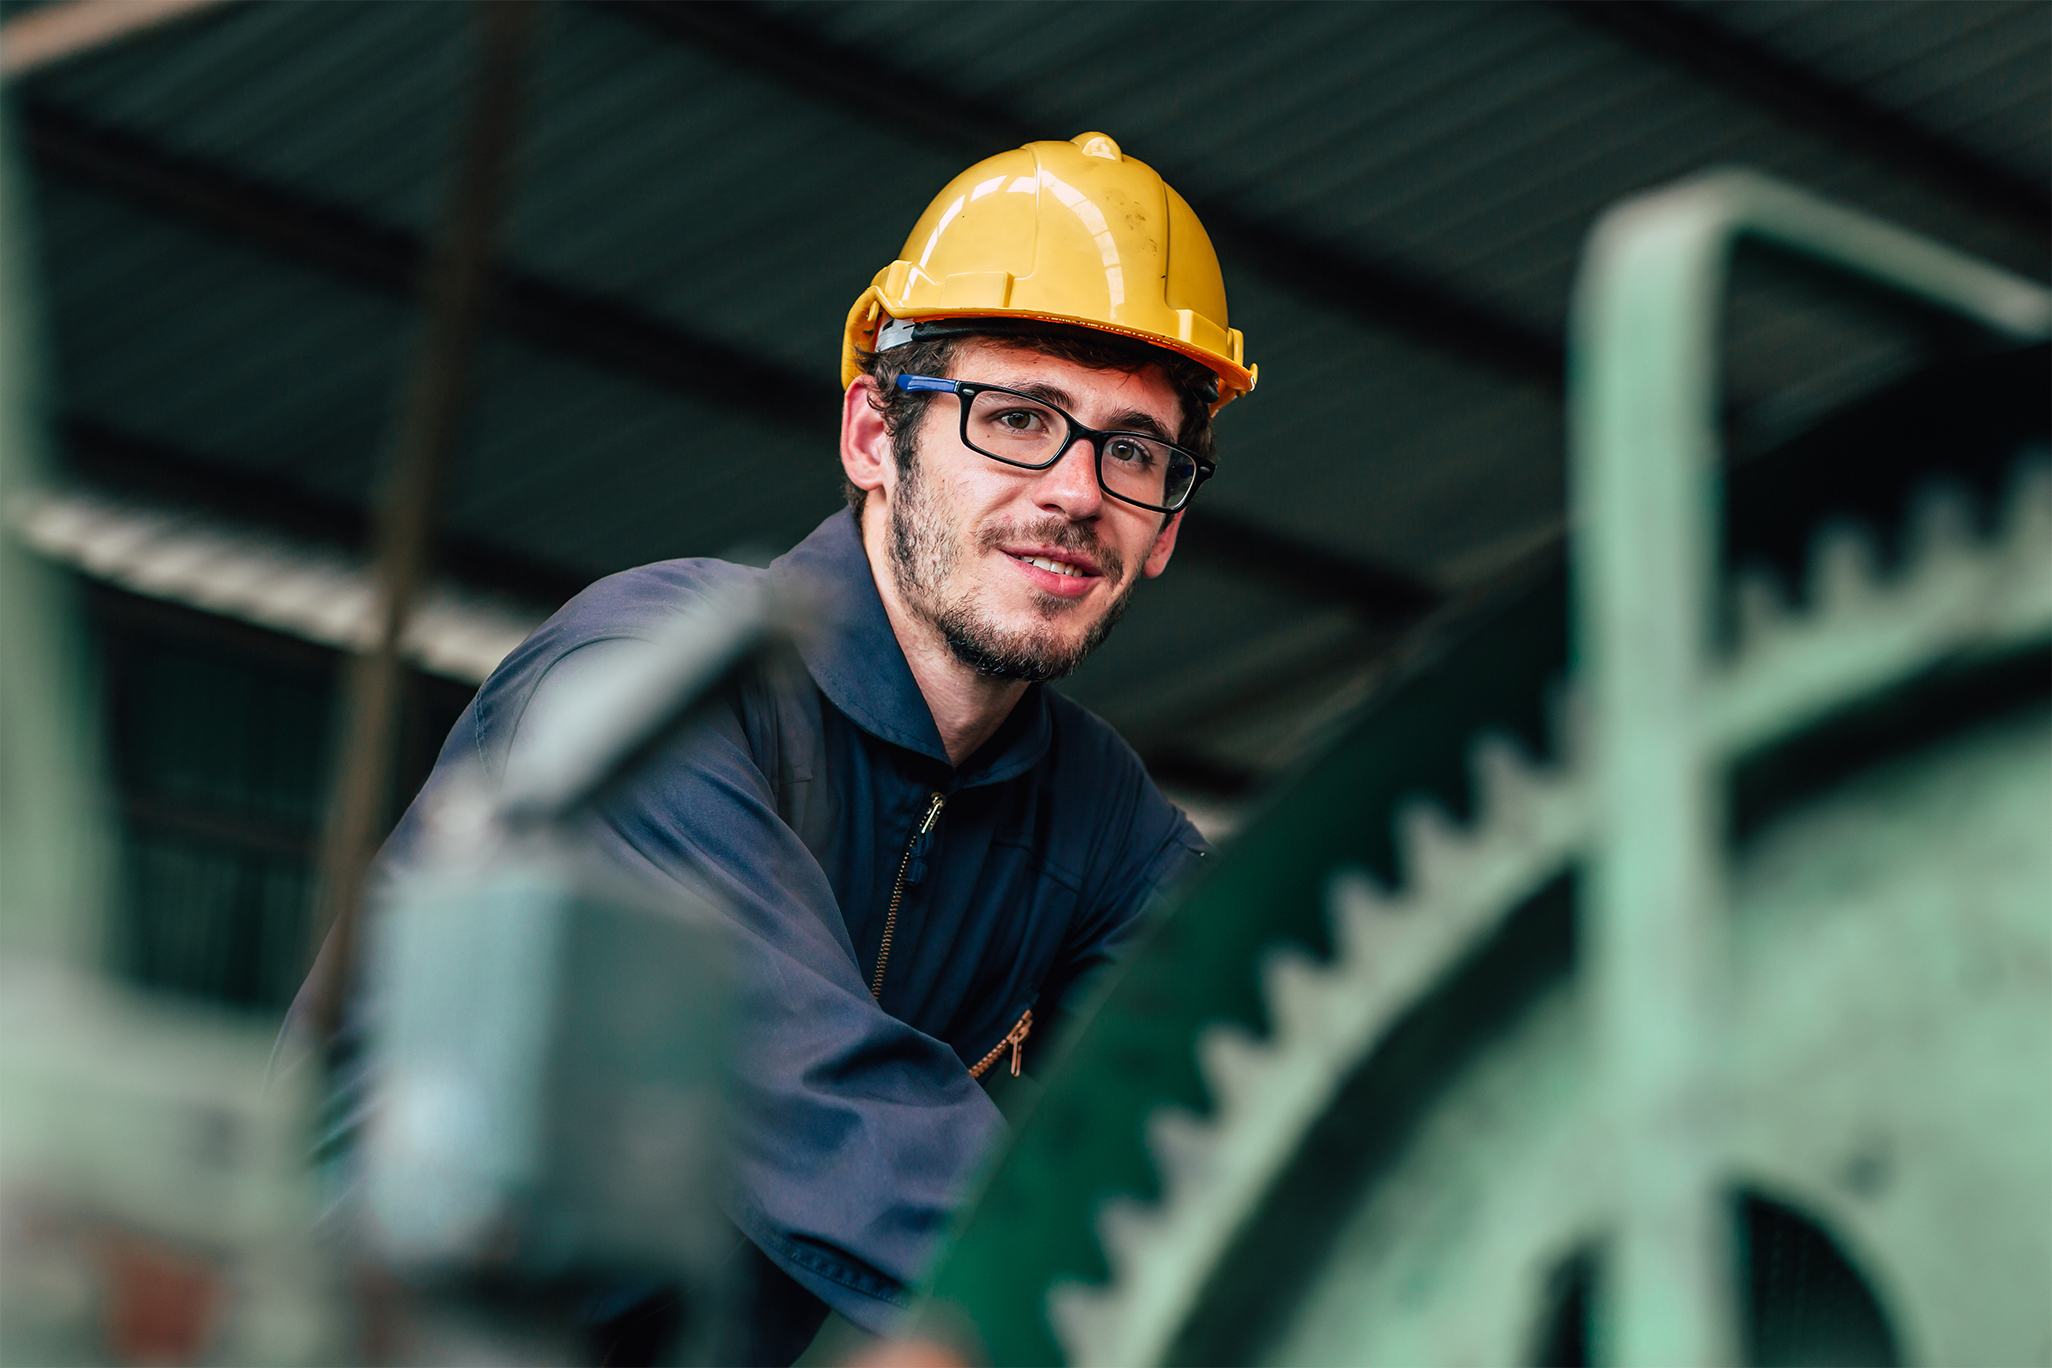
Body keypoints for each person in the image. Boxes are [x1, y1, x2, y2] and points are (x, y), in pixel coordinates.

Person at [329, 131, 1257, 1366]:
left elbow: (1233, 1098)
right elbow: (831, 1112)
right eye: (1019, 417)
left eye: (1133, 450)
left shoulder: (1098, 821)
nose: (1077, 490)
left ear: (1167, 530)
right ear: (876, 435)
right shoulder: (647, 697)